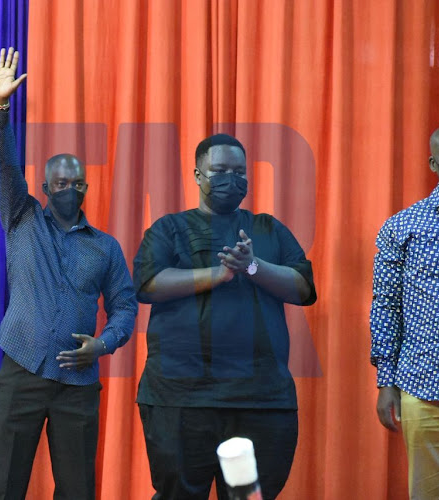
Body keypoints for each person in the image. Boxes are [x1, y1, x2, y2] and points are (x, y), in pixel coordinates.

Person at [0, 48, 138, 500]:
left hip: (78, 382)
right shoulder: (21, 216)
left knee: (77, 492)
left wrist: (104, 344)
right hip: (22, 370)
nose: (71, 190)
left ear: (86, 187)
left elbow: (125, 306)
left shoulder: (105, 246)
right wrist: (0, 108)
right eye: (61, 183)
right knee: (2, 488)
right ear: (46, 187)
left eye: (79, 183)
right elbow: (3, 166)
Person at [133, 134, 317, 500]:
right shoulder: (168, 229)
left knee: (251, 496)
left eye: (238, 172)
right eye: (219, 171)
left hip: (260, 399)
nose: (229, 179)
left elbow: (302, 289)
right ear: (198, 174)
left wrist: (253, 266)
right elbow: (148, 284)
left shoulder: (267, 228)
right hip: (180, 398)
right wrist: (218, 275)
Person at [371, 123, 439, 498]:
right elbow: (386, 306)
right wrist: (385, 382)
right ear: (433, 162)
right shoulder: (403, 226)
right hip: (425, 388)